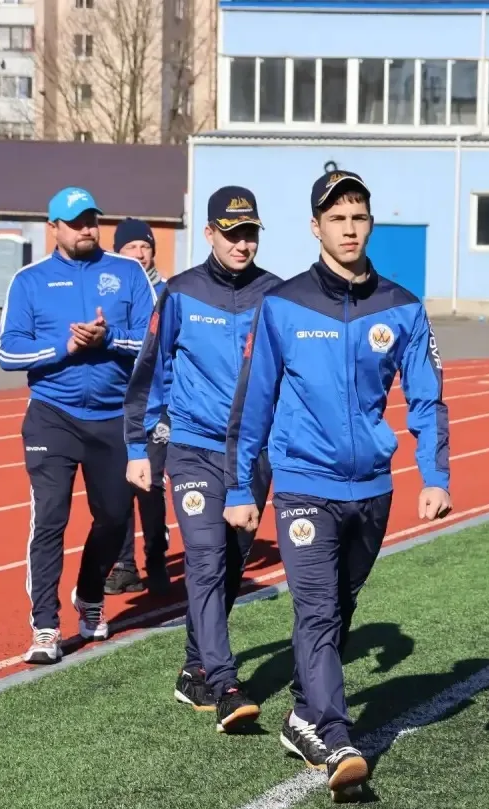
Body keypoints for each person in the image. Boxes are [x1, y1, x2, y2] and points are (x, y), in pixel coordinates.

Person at [223, 170, 452, 800]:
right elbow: (253, 402)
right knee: (318, 608)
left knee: (341, 607)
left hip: (372, 489)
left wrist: (434, 476)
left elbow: (427, 399)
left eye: (358, 217)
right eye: (336, 219)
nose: (349, 229)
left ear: (369, 224)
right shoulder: (283, 305)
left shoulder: (403, 307)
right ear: (315, 227)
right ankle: (335, 733)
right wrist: (239, 489)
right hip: (304, 484)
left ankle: (303, 714)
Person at [123, 187, 282, 732]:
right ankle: (225, 683)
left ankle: (194, 666)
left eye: (250, 233)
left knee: (231, 566)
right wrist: (138, 447)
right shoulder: (180, 293)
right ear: (209, 233)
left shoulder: (277, 296)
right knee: (207, 559)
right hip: (193, 449)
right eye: (231, 233)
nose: (242, 244)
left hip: (252, 456)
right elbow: (150, 371)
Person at [0, 186, 156, 665]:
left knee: (114, 518)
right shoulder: (29, 281)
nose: (87, 229)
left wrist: (109, 340)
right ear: (53, 228)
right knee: (50, 518)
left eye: (92, 220)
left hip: (114, 417)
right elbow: (7, 351)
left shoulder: (127, 273)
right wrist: (64, 347)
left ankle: (88, 593)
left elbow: (154, 339)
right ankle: (45, 626)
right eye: (76, 222)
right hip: (53, 416)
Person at [105, 217, 171, 597]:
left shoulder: (169, 293)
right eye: (131, 247)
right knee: (118, 487)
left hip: (157, 406)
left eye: (145, 246)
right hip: (116, 406)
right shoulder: (111, 292)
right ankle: (125, 565)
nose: (139, 253)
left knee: (151, 484)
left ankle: (156, 559)